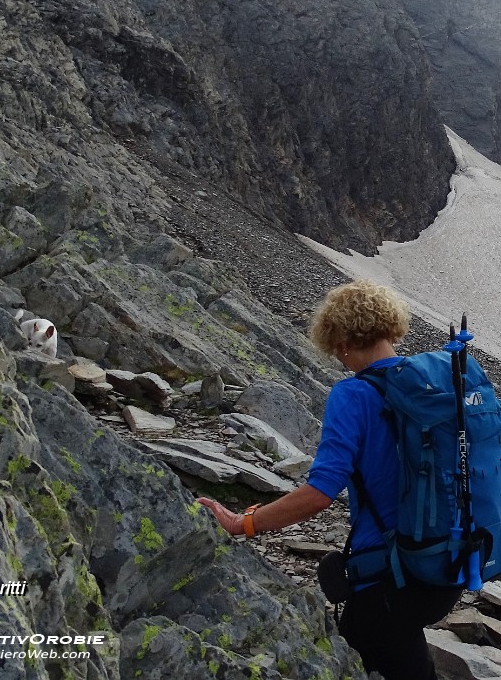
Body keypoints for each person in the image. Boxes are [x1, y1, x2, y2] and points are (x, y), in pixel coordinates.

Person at [198, 279, 463, 679]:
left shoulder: (352, 395)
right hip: (451, 564)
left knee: (360, 651)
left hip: (392, 575)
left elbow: (320, 494)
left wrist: (243, 523)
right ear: (391, 328)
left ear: (340, 342)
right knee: (397, 651)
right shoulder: (434, 384)